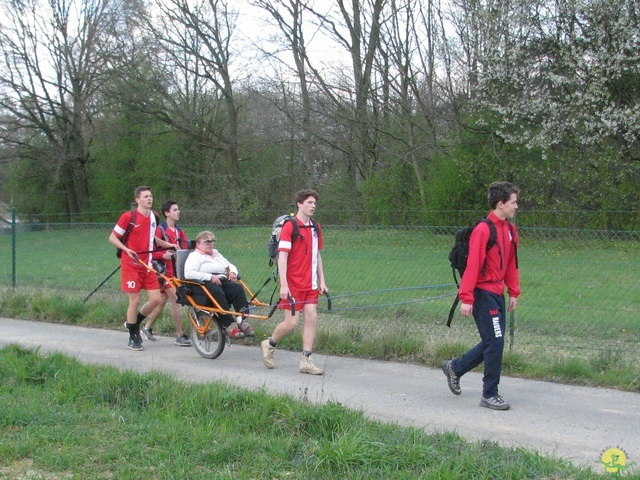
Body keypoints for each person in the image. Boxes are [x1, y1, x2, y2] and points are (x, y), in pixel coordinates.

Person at [441, 181, 521, 410]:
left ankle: (455, 368)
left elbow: (512, 265)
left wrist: (513, 291)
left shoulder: (511, 231)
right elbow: (473, 265)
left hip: (498, 294)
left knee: (492, 342)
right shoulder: (483, 230)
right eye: (513, 202)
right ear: (501, 204)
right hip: (482, 293)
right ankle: (490, 393)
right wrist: (467, 298)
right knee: (495, 343)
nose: (516, 206)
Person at [261, 189, 328, 375]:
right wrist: (284, 285)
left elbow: (317, 255)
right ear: (299, 204)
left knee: (311, 318)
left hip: (310, 283)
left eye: (314, 203)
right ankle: (269, 344)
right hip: (292, 283)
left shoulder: (315, 227)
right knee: (291, 323)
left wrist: (322, 280)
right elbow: (282, 257)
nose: (313, 206)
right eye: (309, 202)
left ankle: (306, 360)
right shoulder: (290, 226)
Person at [108, 186, 179, 351]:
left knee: (156, 300)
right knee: (135, 300)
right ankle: (133, 336)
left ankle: (133, 323)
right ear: (137, 200)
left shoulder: (154, 216)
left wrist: (169, 245)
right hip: (131, 264)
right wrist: (127, 250)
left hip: (147, 265)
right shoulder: (128, 217)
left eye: (151, 196)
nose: (149, 199)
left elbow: (153, 238)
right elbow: (113, 237)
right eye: (145, 196)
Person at [183, 230, 255, 338]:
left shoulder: (215, 254)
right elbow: (188, 273)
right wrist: (210, 277)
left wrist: (232, 272)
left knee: (237, 289)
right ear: (198, 244)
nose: (210, 244)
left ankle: (242, 320)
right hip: (203, 284)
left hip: (221, 281)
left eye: (212, 241)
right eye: (206, 242)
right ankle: (228, 324)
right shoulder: (195, 256)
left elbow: (229, 264)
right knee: (217, 291)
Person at [140, 201, 191, 346]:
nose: (178, 212)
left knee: (162, 301)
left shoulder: (179, 231)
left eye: (178, 209)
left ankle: (146, 327)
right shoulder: (160, 231)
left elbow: (185, 249)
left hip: (175, 273)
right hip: (162, 273)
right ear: (167, 213)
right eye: (175, 210)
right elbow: (150, 253)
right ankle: (180, 335)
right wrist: (163, 255)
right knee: (175, 298)